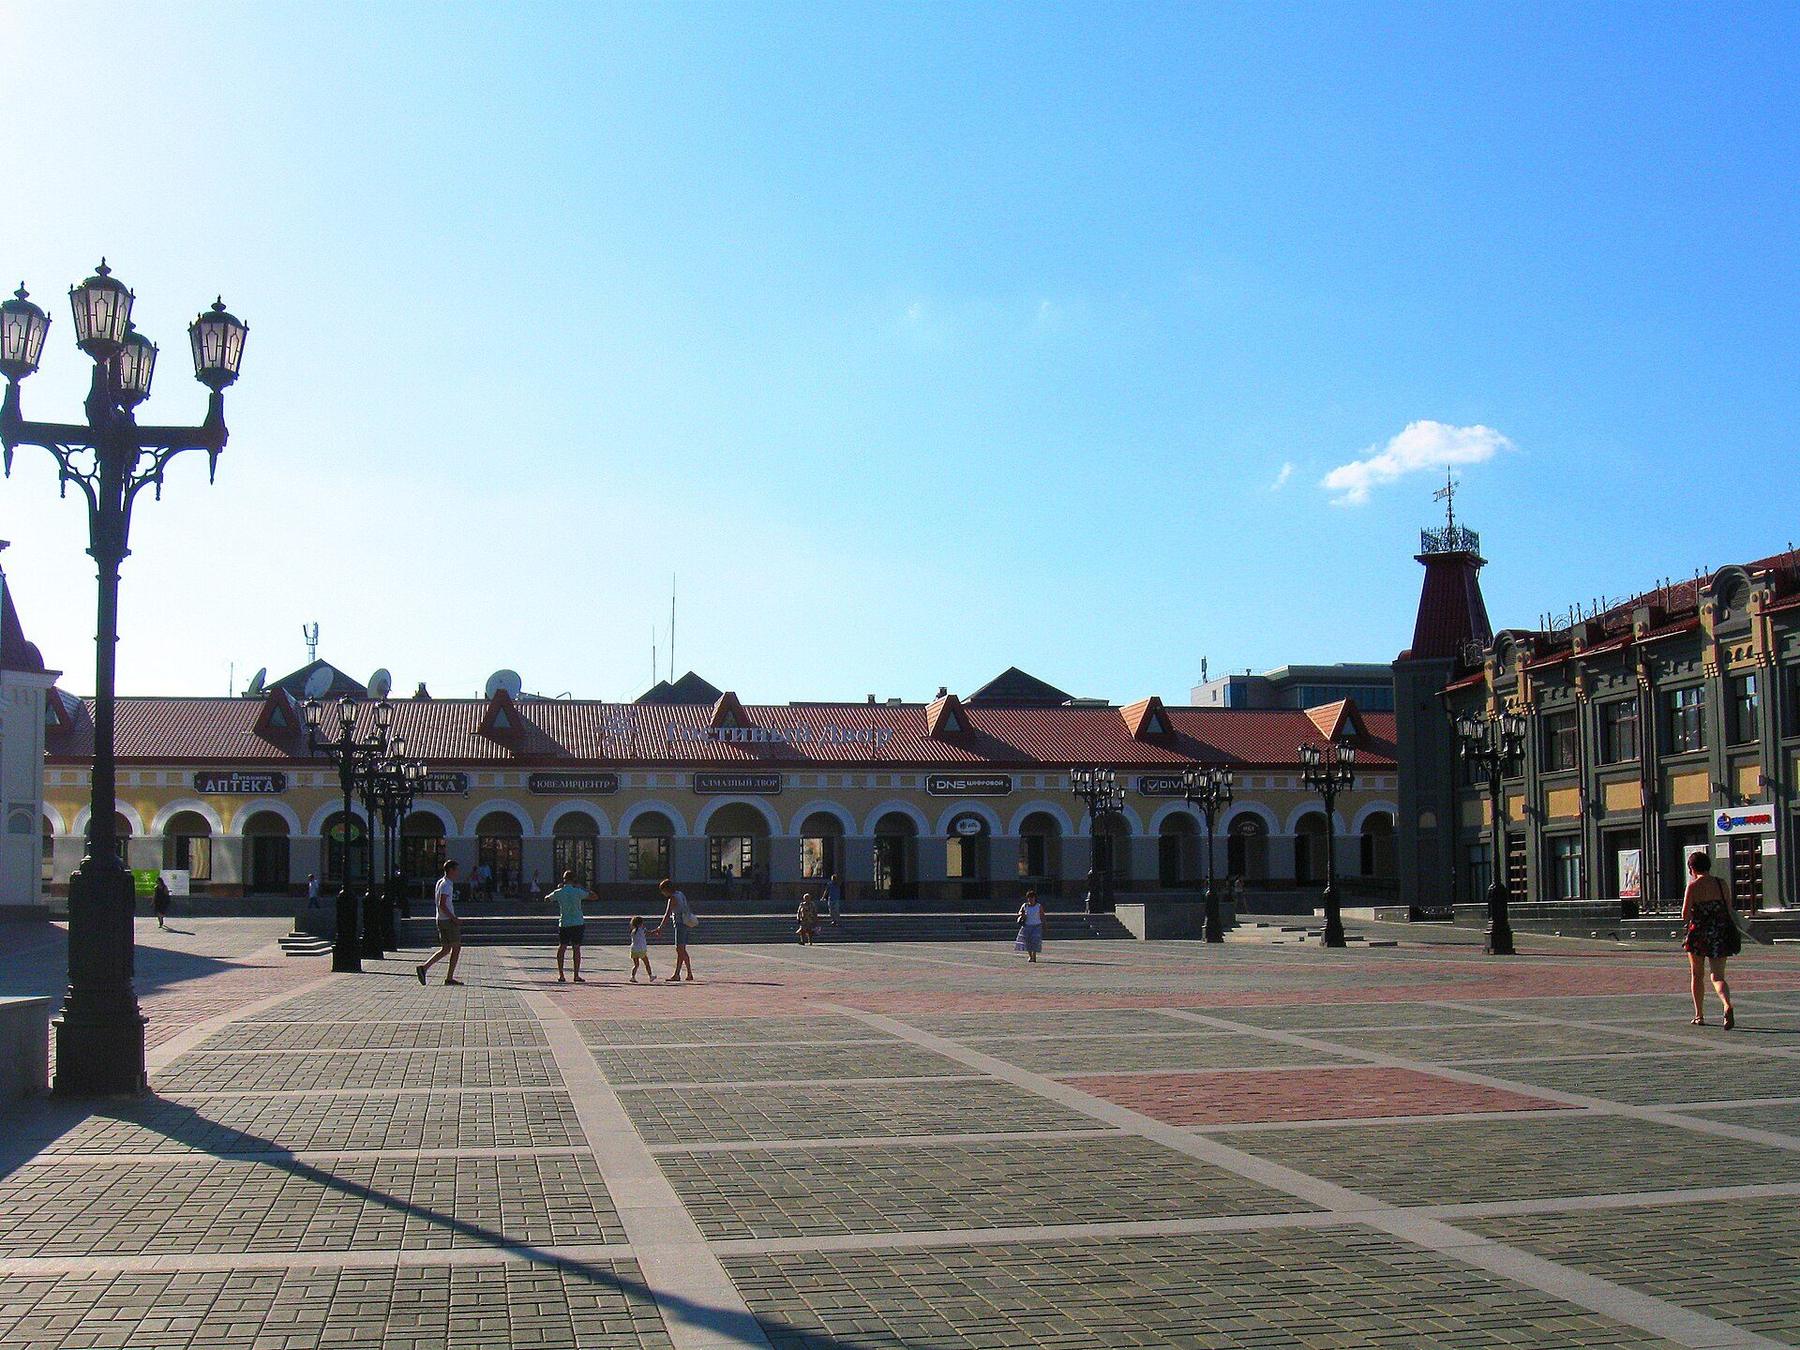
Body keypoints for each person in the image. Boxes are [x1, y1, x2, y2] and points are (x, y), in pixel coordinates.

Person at [1681, 850, 1739, 1028]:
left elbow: (1684, 915)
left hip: (1698, 934)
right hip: (1719, 933)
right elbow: (1729, 909)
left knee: (1697, 975)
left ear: (1691, 867)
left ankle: (1699, 1015)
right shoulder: (1721, 883)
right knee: (1718, 976)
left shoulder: (1693, 886)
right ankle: (1726, 1004)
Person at [418, 860, 464, 986]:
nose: (457, 872)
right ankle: (449, 978)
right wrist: (454, 918)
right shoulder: (446, 885)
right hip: (447, 921)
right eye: (456, 870)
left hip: (440, 919)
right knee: (456, 947)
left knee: (445, 949)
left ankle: (424, 968)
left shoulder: (441, 882)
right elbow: (442, 904)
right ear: (450, 870)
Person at [546, 870, 592, 983]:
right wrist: (582, 888)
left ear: (564, 879)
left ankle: (561, 975)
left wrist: (556, 891)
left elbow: (547, 898)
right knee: (576, 948)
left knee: (562, 947)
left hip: (564, 923)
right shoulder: (578, 891)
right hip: (577, 922)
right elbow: (594, 896)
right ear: (574, 879)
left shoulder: (560, 891)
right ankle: (576, 975)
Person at [650, 877, 697, 982]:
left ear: (666, 890)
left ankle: (678, 974)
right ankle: (688, 973)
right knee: (682, 949)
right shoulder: (680, 894)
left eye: (663, 891)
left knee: (680, 949)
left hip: (680, 924)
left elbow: (667, 915)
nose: (663, 894)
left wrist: (660, 928)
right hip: (685, 923)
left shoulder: (672, 898)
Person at [1017, 889, 1045, 963]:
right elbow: (1020, 912)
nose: (1031, 899)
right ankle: (1030, 956)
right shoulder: (1025, 905)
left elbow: (1042, 915)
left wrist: (1044, 924)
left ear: (1035, 898)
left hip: (1037, 925)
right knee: (1028, 941)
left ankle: (1034, 956)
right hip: (1027, 925)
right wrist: (1022, 915)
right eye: (1029, 897)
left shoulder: (1039, 906)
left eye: (1032, 897)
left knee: (1035, 941)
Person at [628, 915, 654, 982]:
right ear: (640, 924)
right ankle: (650, 976)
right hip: (641, 949)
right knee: (647, 963)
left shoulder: (633, 931)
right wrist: (656, 931)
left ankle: (632, 977)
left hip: (634, 950)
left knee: (636, 965)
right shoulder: (642, 930)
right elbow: (650, 933)